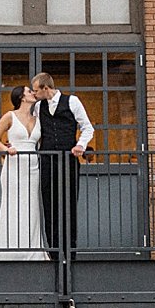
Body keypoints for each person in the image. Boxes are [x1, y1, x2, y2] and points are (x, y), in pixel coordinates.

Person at [31, 71, 94, 257]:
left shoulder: (72, 101)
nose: (34, 94)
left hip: (68, 161)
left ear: (46, 88)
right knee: (49, 207)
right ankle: (54, 254)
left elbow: (87, 127)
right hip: (47, 162)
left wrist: (80, 145)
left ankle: (70, 254)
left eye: (36, 91)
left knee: (69, 206)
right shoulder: (37, 107)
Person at [0, 85, 46, 261]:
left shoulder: (38, 119)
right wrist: (7, 150)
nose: (33, 93)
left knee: (32, 207)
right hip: (14, 166)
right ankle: (10, 250)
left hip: (32, 167)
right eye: (29, 91)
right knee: (13, 207)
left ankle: (33, 251)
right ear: (21, 97)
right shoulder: (9, 116)